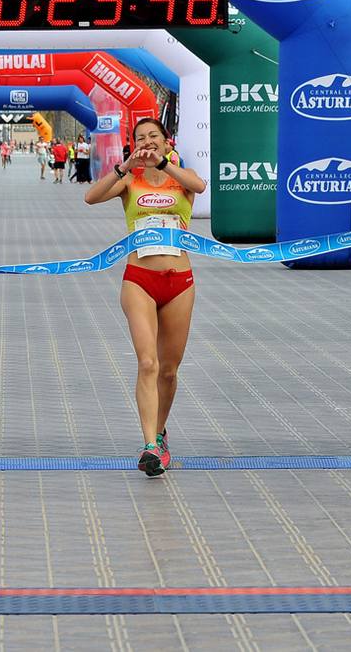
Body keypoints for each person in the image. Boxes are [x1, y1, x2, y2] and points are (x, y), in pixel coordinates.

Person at [84, 117, 207, 476]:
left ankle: (160, 431)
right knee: (148, 363)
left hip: (180, 282)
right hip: (138, 280)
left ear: (167, 142)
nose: (148, 142)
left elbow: (198, 185)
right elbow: (90, 198)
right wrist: (126, 165)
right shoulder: (129, 180)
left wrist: (165, 163)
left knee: (168, 370)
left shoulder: (180, 175)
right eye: (141, 138)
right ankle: (149, 445)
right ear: (133, 143)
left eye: (154, 136)